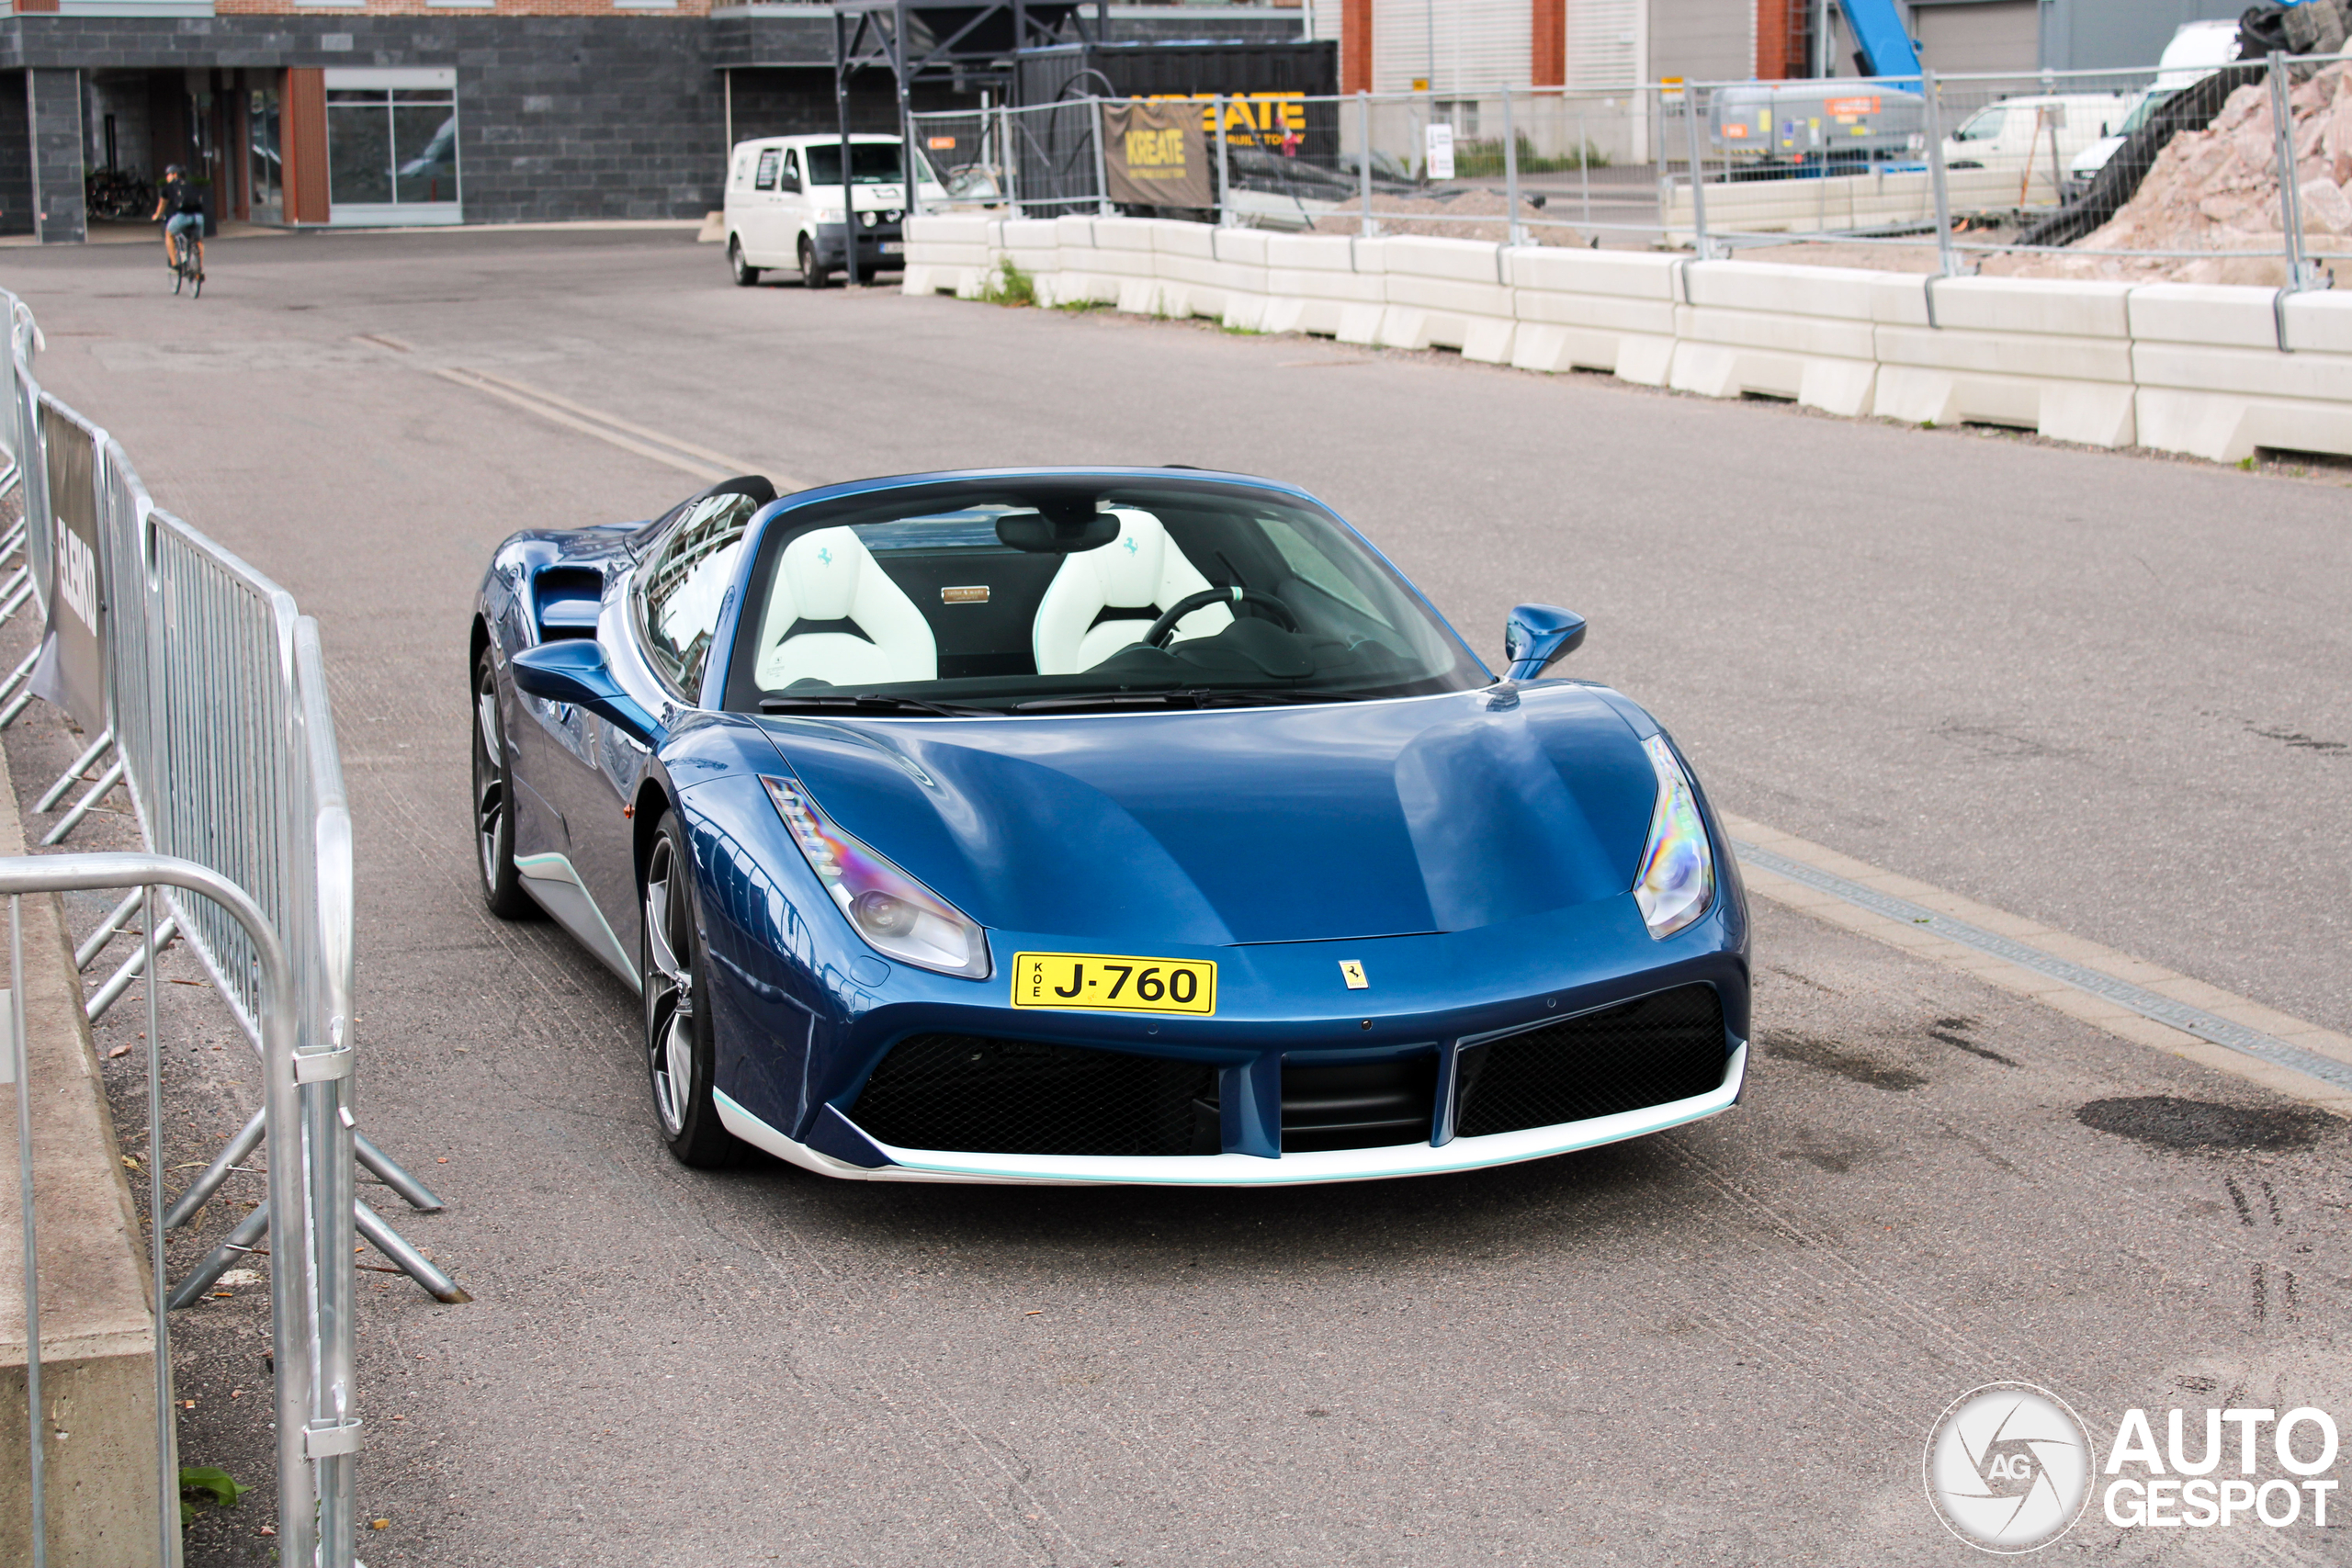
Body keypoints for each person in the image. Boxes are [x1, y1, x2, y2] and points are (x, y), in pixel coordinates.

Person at [150, 164, 204, 277]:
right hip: (198, 216)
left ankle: (175, 266)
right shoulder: (192, 185)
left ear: (175, 175)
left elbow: (162, 206)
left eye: (168, 174)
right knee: (198, 241)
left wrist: (156, 216)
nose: (167, 177)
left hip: (183, 216)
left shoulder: (169, 187)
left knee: (169, 234)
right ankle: (199, 269)